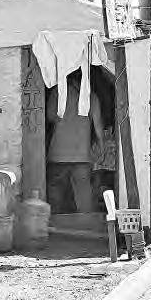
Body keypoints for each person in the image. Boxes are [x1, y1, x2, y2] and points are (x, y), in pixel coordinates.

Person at [46, 71, 104, 213]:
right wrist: (102, 149)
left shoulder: (57, 94)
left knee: (56, 199)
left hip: (58, 155)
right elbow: (98, 128)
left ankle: (56, 224)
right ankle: (87, 223)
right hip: (82, 156)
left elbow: (50, 117)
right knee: (84, 197)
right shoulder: (91, 97)